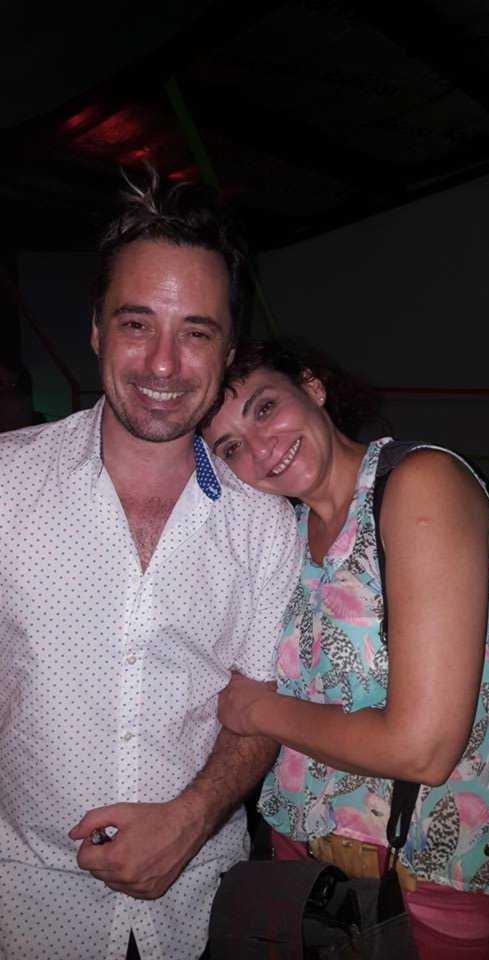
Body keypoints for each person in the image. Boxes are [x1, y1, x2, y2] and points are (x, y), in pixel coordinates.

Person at [0, 182, 302, 960]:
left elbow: (259, 706)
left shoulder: (265, 524)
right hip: (24, 905)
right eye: (137, 324)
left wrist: (191, 819)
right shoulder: (5, 484)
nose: (164, 363)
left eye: (196, 333)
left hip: (200, 909)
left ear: (227, 354)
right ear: (96, 330)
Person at [202, 338, 489, 959]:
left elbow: (422, 748)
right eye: (231, 447)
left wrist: (256, 709)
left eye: (264, 408)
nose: (261, 449)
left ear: (312, 387)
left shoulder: (420, 484)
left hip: (434, 870)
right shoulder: (283, 534)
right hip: (306, 869)